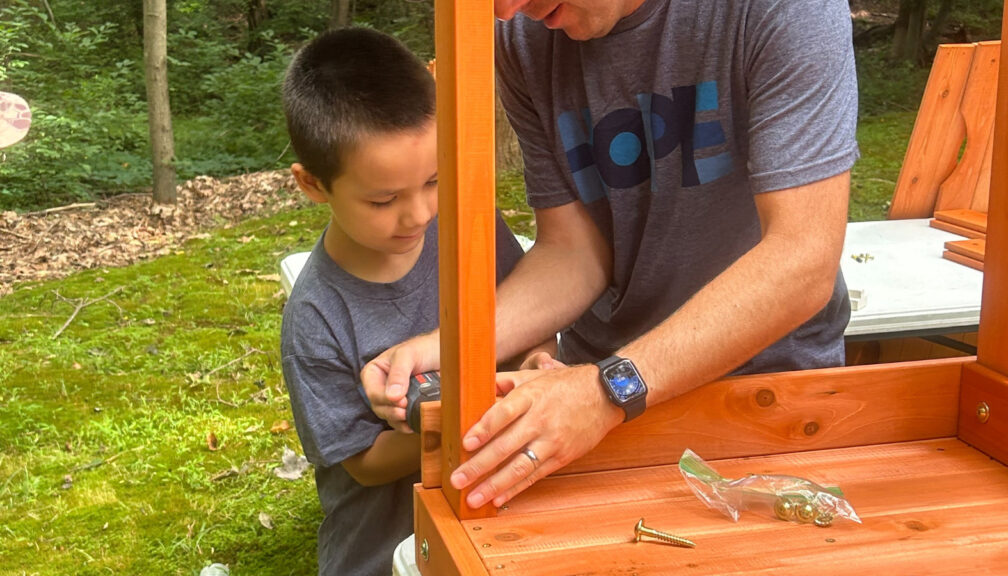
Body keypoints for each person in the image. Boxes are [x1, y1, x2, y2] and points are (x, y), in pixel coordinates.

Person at [362, 0, 858, 512]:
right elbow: (575, 251)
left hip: (765, 391)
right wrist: (452, 346)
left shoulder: (785, 9)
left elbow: (802, 258)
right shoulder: (523, 36)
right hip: (592, 398)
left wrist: (608, 390)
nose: (506, 11)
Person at [278, 27, 528, 576]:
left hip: (500, 521)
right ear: (314, 185)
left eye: (434, 180)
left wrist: (536, 365)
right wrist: (466, 420)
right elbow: (363, 464)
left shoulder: (467, 227)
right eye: (384, 199)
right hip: (382, 550)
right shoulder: (316, 316)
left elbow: (529, 319)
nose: (418, 214)